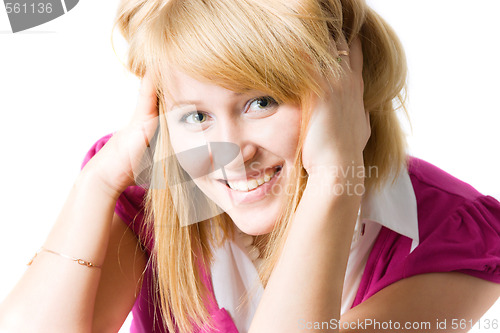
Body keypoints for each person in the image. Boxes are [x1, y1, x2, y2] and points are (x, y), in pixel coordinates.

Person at [1, 0, 499, 332]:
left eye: (261, 102)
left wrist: (333, 180)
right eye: (196, 115)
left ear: (346, 92)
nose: (230, 150)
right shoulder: (153, 188)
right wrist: (100, 179)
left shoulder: (451, 237)